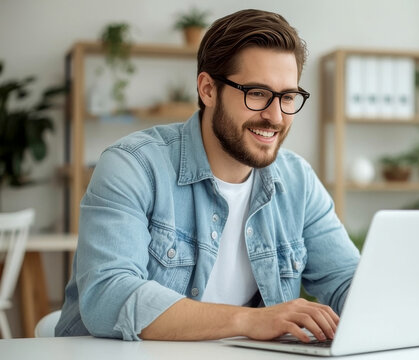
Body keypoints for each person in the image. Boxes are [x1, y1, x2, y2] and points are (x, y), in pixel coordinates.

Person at [55, 9, 360, 342]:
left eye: (287, 97)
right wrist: (249, 321)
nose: (275, 116)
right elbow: (109, 297)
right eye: (257, 93)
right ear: (208, 89)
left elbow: (348, 281)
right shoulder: (132, 166)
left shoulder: (298, 181)